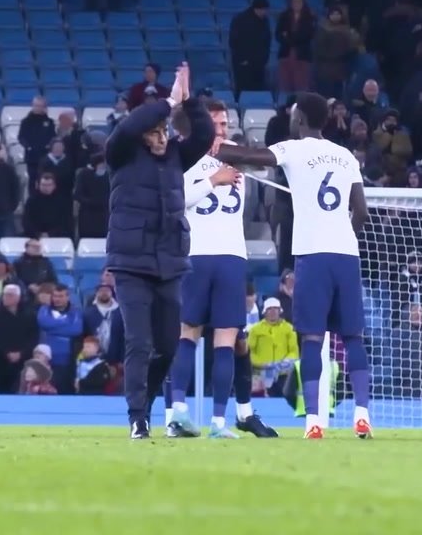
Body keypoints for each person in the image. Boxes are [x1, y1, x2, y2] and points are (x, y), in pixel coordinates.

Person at [213, 92, 372, 439]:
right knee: (353, 337)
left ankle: (314, 420)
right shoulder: (345, 155)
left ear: (299, 119)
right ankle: (362, 414)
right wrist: (344, 233)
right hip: (346, 253)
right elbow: (360, 211)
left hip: (312, 255)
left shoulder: (292, 149)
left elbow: (250, 157)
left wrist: (213, 146)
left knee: (312, 339)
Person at [105, 63, 212, 439]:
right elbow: (129, 125)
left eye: (164, 131)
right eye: (155, 132)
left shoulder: (175, 159)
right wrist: (168, 100)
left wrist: (189, 101)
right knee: (139, 341)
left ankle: (146, 406)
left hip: (169, 262)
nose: (162, 137)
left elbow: (204, 133)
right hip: (131, 264)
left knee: (168, 347)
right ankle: (136, 418)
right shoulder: (120, 153)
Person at [166, 99, 277, 439]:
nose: (223, 131)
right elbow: (178, 200)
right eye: (216, 125)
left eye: (226, 125)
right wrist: (215, 178)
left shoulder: (234, 160)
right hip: (197, 256)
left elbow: (263, 161)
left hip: (231, 257)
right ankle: (178, 414)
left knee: (227, 340)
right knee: (188, 335)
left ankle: (218, 422)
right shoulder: (189, 162)